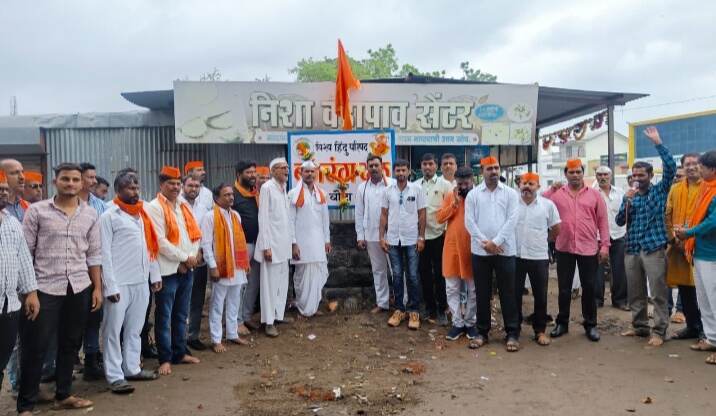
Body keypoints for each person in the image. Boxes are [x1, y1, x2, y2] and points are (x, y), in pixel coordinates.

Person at [18, 163, 102, 414]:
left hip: (79, 287)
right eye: (65, 179)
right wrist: (30, 291)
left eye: (75, 180)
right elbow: (25, 253)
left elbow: (94, 254)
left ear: (82, 183)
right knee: (36, 346)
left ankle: (63, 394)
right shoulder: (37, 211)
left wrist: (97, 288)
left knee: (70, 343)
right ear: (55, 182)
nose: (71, 184)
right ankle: (26, 405)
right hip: (44, 288)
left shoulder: (90, 214)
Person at [100, 169, 161, 394]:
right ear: (118, 190)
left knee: (135, 329)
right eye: (129, 188)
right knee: (112, 331)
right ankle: (115, 376)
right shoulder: (109, 215)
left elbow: (149, 247)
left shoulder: (142, 214)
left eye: (136, 187)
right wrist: (110, 285)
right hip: (119, 283)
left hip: (141, 281)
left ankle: (132, 368)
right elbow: (104, 254)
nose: (135, 192)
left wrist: (154, 275)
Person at [616, 127, 676, 347]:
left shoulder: (659, 191)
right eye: (635, 175)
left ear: (650, 176)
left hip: (653, 249)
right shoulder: (630, 196)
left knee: (658, 292)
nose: (637, 179)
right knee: (635, 291)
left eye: (642, 175)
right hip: (632, 248)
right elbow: (620, 221)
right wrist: (626, 201)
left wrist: (658, 143)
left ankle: (659, 330)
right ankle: (639, 326)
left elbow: (670, 167)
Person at [543, 159, 609, 342]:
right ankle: (562, 323)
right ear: (566, 174)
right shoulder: (557, 195)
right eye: (571, 172)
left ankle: (591, 324)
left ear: (583, 173)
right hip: (564, 247)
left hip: (588, 248)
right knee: (564, 289)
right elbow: (540, 202)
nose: (575, 175)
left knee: (589, 288)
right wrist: (551, 189)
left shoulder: (594, 195)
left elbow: (603, 222)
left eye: (578, 172)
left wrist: (604, 246)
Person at [145, 166, 202, 376]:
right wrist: (184, 258)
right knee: (164, 316)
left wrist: (191, 258)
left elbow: (194, 235)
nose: (176, 187)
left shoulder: (183, 206)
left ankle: (180, 352)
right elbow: (159, 242)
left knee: (181, 314)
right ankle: (165, 358)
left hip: (187, 268)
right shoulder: (154, 207)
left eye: (178, 183)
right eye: (171, 183)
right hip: (167, 271)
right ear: (161, 184)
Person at [465, 156, 521, 351]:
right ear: (482, 171)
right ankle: (482, 332)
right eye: (489, 169)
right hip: (480, 252)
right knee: (482, 293)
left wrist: (495, 242)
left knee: (508, 292)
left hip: (505, 250)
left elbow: (512, 220)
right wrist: (486, 244)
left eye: (496, 168)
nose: (494, 172)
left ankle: (512, 333)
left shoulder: (511, 193)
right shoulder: (473, 195)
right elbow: (469, 222)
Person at [675, 150, 716, 365]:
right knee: (705, 300)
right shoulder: (706, 189)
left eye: (701, 167)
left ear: (712, 170)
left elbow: (712, 222)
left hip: (712, 255)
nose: (698, 170)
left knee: (714, 300)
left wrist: (688, 233)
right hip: (700, 253)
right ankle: (711, 338)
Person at [0, 171, 39, 395]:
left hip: (9, 305)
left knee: (3, 357)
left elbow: (23, 259)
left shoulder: (12, 222)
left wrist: (31, 292)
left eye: (5, 188)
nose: (3, 191)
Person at [200, 183, 250, 353]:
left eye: (231, 194)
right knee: (217, 303)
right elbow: (206, 244)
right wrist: (213, 266)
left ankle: (232, 333)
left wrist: (244, 263)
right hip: (221, 267)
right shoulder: (210, 217)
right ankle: (216, 339)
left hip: (237, 266)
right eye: (226, 195)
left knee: (234, 301)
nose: (230, 197)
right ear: (216, 198)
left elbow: (240, 241)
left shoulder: (236, 215)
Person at [514, 172, 561, 346]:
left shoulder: (547, 205)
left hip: (539, 256)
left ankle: (540, 331)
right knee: (514, 294)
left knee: (540, 295)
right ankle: (514, 330)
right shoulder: (512, 204)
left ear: (538, 187)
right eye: (524, 183)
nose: (527, 186)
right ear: (519, 185)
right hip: (516, 256)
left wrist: (545, 240)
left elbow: (556, 228)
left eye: (531, 183)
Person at [380, 159, 426, 330]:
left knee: (412, 276)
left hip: (412, 239)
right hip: (393, 239)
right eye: (398, 170)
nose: (400, 173)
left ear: (409, 171)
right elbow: (383, 215)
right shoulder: (387, 191)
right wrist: (381, 237)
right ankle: (399, 309)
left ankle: (414, 311)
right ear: (394, 172)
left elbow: (422, 214)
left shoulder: (417, 189)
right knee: (397, 275)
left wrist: (421, 237)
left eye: (403, 170)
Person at [666, 153, 705, 342]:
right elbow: (667, 214)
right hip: (678, 246)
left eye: (695, 163)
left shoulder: (708, 187)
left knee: (704, 290)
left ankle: (707, 330)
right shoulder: (675, 189)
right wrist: (673, 239)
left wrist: (692, 239)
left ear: (702, 166)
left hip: (702, 246)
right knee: (685, 289)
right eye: (687, 164)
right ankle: (692, 327)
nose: (691, 167)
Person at [436, 166, 477, 340]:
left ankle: (470, 322)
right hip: (452, 247)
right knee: (452, 287)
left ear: (472, 181)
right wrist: (454, 204)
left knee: (473, 289)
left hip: (473, 247)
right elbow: (439, 218)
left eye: (466, 183)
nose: (463, 187)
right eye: (460, 184)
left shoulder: (478, 196)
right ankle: (458, 323)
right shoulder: (450, 196)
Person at [255, 158, 292, 337]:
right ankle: (268, 322)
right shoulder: (267, 188)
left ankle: (278, 315)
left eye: (287, 167)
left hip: (284, 245)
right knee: (269, 286)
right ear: (273, 171)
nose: (286, 170)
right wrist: (266, 246)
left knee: (282, 283)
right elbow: (263, 219)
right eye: (282, 168)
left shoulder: (283, 188)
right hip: (271, 246)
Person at [288, 161, 331, 318]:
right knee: (302, 276)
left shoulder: (322, 194)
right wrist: (293, 243)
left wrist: (327, 240)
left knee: (317, 274)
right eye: (307, 171)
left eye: (312, 171)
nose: (310, 174)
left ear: (316, 173)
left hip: (318, 242)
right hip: (301, 243)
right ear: (301, 173)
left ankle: (312, 307)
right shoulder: (293, 194)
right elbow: (290, 221)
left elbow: (325, 219)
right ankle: (303, 308)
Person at [415, 153, 452, 325]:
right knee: (424, 273)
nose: (427, 167)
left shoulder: (445, 185)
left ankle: (442, 308)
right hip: (422, 237)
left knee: (440, 274)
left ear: (436, 166)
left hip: (439, 235)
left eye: (430, 164)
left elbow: (450, 209)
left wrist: (446, 230)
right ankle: (430, 308)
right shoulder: (416, 185)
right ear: (421, 166)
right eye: (425, 164)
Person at [78, 162, 107, 380]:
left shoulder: (100, 206)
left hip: (97, 268)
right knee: (72, 319)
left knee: (95, 315)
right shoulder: (66, 204)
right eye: (90, 177)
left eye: (94, 177)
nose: (94, 181)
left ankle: (91, 358)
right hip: (75, 269)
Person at [355, 154, 394, 314]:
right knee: (378, 270)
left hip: (392, 235)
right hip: (371, 235)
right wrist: (360, 236)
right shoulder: (362, 188)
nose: (373, 168)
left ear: (382, 166)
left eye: (376, 165)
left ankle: (403, 303)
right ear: (367, 168)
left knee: (398, 270)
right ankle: (382, 303)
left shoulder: (391, 184)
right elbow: (359, 213)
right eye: (370, 166)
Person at [593, 166, 629, 310]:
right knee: (597, 270)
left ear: (611, 176)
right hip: (597, 236)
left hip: (618, 234)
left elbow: (626, 213)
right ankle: (597, 300)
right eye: (600, 175)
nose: (603, 177)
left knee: (620, 269)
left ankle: (620, 300)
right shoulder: (592, 193)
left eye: (605, 175)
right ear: (596, 176)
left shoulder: (620, 193)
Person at [182, 175, 211, 351]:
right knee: (181, 301)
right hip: (182, 261)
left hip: (199, 259)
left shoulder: (203, 209)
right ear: (183, 186)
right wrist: (186, 256)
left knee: (197, 299)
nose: (193, 189)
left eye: (196, 186)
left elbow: (204, 234)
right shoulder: (177, 206)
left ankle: (193, 335)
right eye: (190, 185)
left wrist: (200, 252)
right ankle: (180, 338)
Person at [233, 161, 262, 334]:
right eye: (248, 172)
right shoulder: (233, 194)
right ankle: (236, 322)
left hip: (257, 244)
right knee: (240, 284)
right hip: (241, 246)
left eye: (254, 172)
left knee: (253, 283)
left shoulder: (256, 193)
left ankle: (246, 316)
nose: (252, 175)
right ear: (239, 174)